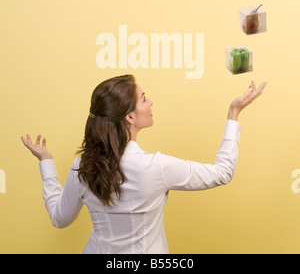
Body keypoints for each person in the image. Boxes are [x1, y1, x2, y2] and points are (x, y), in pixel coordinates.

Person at [21, 75, 267, 254]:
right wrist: (233, 114)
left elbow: (59, 218)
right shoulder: (156, 168)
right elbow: (222, 173)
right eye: (144, 98)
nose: (150, 103)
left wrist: (46, 162)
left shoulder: (82, 167)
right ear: (129, 117)